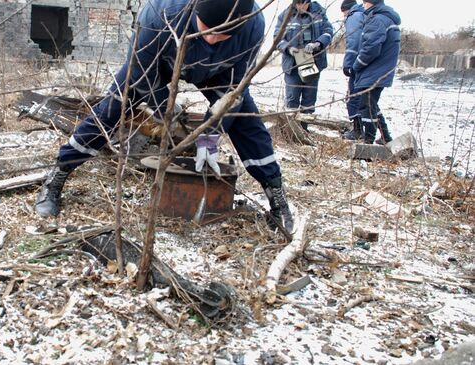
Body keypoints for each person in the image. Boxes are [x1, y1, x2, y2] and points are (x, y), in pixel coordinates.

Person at [35, 0, 295, 233]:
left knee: (247, 120)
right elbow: (142, 73)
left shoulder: (252, 24)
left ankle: (276, 195)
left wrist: (211, 134)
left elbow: (235, 87)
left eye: (224, 34)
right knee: (111, 110)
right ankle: (58, 175)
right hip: (159, 64)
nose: (213, 39)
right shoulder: (160, 13)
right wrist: (165, 112)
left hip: (218, 71)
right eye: (208, 29)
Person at [274, 0, 333, 129]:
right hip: (292, 64)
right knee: (292, 99)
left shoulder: (319, 12)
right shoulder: (285, 15)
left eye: (304, 4)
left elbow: (328, 31)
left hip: (313, 61)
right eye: (298, 4)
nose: (301, 7)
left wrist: (317, 44)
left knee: (309, 99)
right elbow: (277, 38)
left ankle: (304, 129)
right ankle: (291, 130)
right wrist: (288, 48)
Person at [352, 0, 400, 145]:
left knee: (367, 106)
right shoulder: (386, 18)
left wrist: (357, 64)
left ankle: (368, 142)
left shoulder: (377, 19)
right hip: (381, 71)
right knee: (372, 105)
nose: (363, 5)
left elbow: (370, 48)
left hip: (373, 72)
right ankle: (385, 137)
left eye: (364, 2)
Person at [340, 0, 365, 141]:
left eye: (343, 13)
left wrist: (348, 64)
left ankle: (357, 130)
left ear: (346, 10)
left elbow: (353, 42)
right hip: (365, 63)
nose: (343, 17)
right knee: (363, 96)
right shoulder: (364, 14)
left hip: (357, 64)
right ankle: (364, 130)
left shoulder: (354, 17)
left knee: (353, 96)